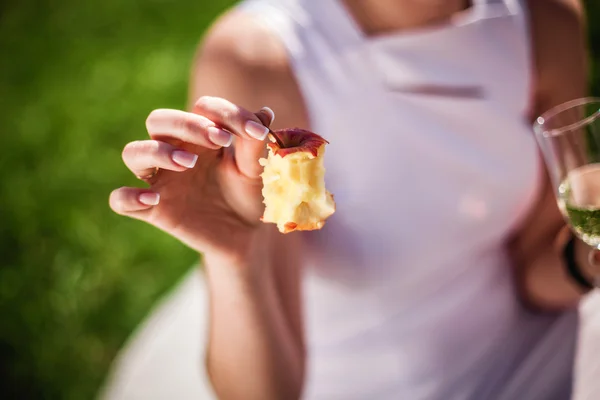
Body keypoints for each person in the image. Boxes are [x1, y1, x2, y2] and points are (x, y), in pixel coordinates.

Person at [102, 0, 594, 399]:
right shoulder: (262, 57)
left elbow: (536, 273)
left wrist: (586, 258)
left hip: (533, 356)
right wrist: (238, 260)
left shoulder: (546, 21)